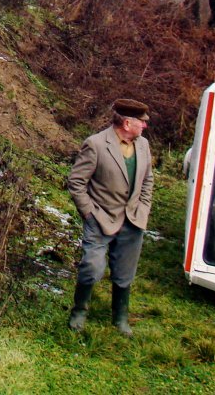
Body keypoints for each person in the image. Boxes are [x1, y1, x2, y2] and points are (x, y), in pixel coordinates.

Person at [66, 98, 154, 337]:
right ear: (127, 122)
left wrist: (143, 208)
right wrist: (89, 214)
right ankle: (79, 312)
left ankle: (120, 317)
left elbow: (147, 181)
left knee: (125, 272)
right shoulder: (95, 144)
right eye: (141, 122)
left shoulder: (143, 146)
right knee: (91, 268)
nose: (144, 126)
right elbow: (76, 182)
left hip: (132, 220)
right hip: (100, 220)